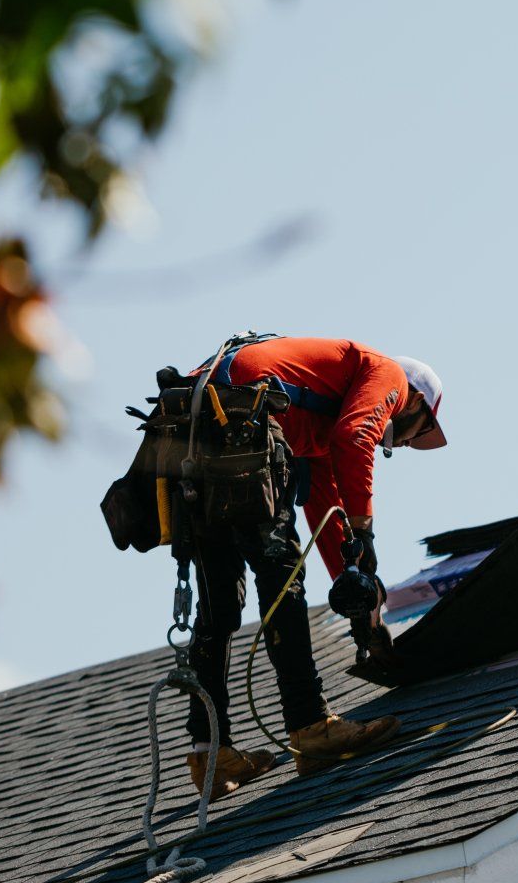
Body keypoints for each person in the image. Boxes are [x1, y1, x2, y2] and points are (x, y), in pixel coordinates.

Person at [184, 336, 447, 791]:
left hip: (189, 434)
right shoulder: (387, 375)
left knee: (219, 602)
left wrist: (362, 596)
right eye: (417, 431)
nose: (405, 444)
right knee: (281, 572)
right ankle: (310, 727)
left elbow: (326, 514)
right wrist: (366, 531)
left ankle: (211, 756)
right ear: (417, 400)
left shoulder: (315, 423)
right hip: (240, 421)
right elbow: (356, 437)